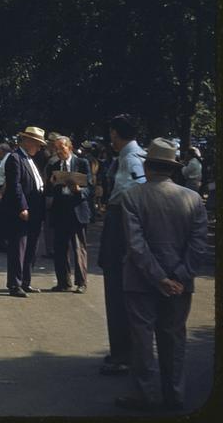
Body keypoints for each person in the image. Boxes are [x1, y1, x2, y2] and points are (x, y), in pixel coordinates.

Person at [114, 138, 207, 411]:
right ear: (173, 168)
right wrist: (178, 276)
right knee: (174, 338)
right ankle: (174, 392)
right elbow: (198, 243)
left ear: (147, 165)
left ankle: (144, 394)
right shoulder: (191, 199)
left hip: (140, 280)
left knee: (142, 339)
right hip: (181, 282)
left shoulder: (132, 196)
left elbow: (136, 244)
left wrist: (159, 277)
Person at [98, 114, 146, 376]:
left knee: (117, 295)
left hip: (121, 229)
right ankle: (125, 350)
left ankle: (123, 354)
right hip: (127, 229)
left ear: (115, 133)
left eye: (111, 133)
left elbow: (134, 194)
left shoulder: (128, 159)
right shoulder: (138, 156)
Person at [0, 126, 47, 298]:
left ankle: (25, 281)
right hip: (22, 210)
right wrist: (22, 207)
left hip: (35, 209)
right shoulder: (15, 158)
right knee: (18, 247)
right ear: (27, 141)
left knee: (31, 247)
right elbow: (15, 185)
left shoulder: (30, 159)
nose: (40, 148)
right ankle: (15, 283)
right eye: (37, 144)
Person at [45, 136, 94, 293]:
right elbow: (48, 189)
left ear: (70, 147)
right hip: (60, 210)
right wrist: (51, 183)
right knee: (60, 248)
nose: (59, 152)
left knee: (78, 247)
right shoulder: (53, 164)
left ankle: (81, 282)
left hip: (76, 209)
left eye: (62, 148)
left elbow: (90, 187)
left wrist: (79, 191)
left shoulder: (81, 163)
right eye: (56, 149)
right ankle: (63, 282)